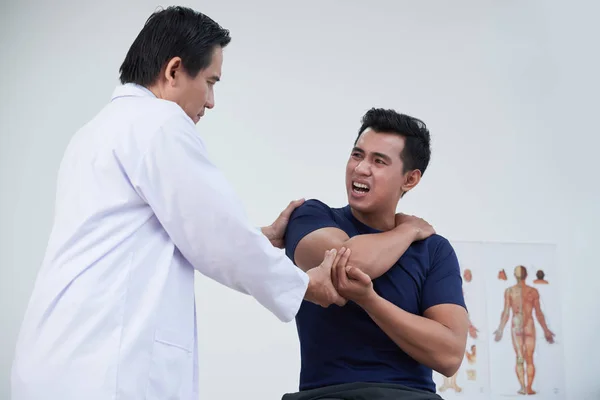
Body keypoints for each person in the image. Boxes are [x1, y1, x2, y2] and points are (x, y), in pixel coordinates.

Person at [11, 6, 345, 400]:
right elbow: (217, 237)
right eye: (210, 81)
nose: (212, 101)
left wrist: (260, 236)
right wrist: (306, 284)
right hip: (106, 369)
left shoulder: (95, 132)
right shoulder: (160, 124)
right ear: (173, 71)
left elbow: (150, 233)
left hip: (56, 360)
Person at [281, 108, 470, 399]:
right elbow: (347, 263)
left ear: (410, 180)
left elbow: (448, 355)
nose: (361, 168)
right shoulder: (312, 217)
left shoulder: (433, 250)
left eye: (378, 161)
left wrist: (370, 300)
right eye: (357, 155)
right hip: (328, 395)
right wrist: (405, 231)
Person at [493, 265, 555, 395]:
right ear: (526, 275)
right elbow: (538, 313)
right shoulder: (532, 291)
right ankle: (528, 388)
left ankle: (523, 387)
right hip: (528, 325)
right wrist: (546, 330)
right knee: (529, 358)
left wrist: (500, 329)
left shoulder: (510, 291)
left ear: (515, 276)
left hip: (517, 325)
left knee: (520, 358)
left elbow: (506, 313)